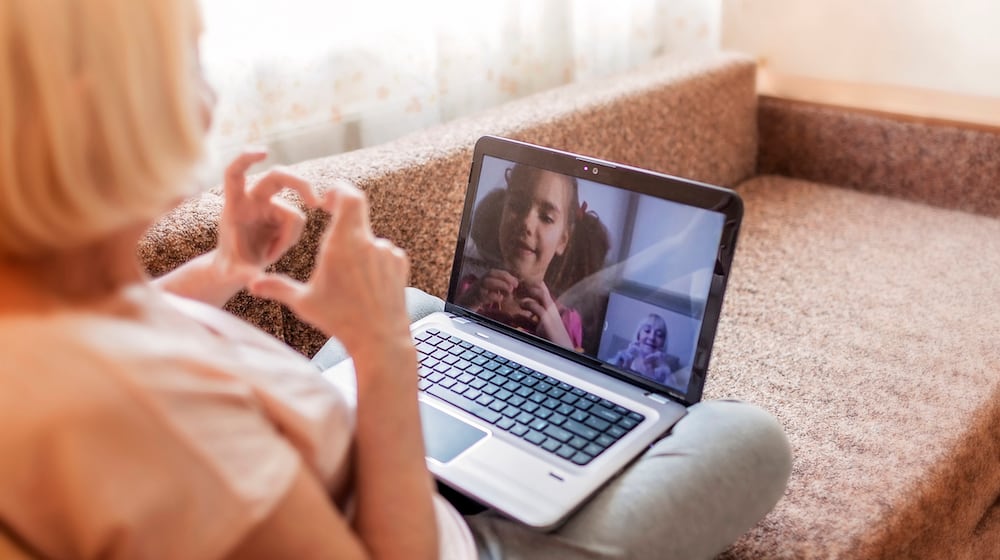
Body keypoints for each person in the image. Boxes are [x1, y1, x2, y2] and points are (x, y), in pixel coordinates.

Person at [0, 1, 791, 559]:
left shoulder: (38, 311)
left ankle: (473, 425)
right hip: (438, 539)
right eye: (187, 61)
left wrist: (226, 269)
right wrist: (382, 353)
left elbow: (118, 320)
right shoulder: (163, 426)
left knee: (424, 309)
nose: (208, 103)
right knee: (746, 437)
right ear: (98, 109)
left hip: (339, 457)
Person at [456, 164, 610, 351]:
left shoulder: (564, 322)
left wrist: (563, 347)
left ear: (562, 240)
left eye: (546, 217)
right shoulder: (470, 291)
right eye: (517, 206)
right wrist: (465, 307)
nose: (526, 223)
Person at [610, 313, 685, 388]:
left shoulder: (664, 373)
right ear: (638, 335)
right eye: (647, 330)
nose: (652, 337)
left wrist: (666, 375)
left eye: (659, 335)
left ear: (663, 343)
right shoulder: (625, 359)